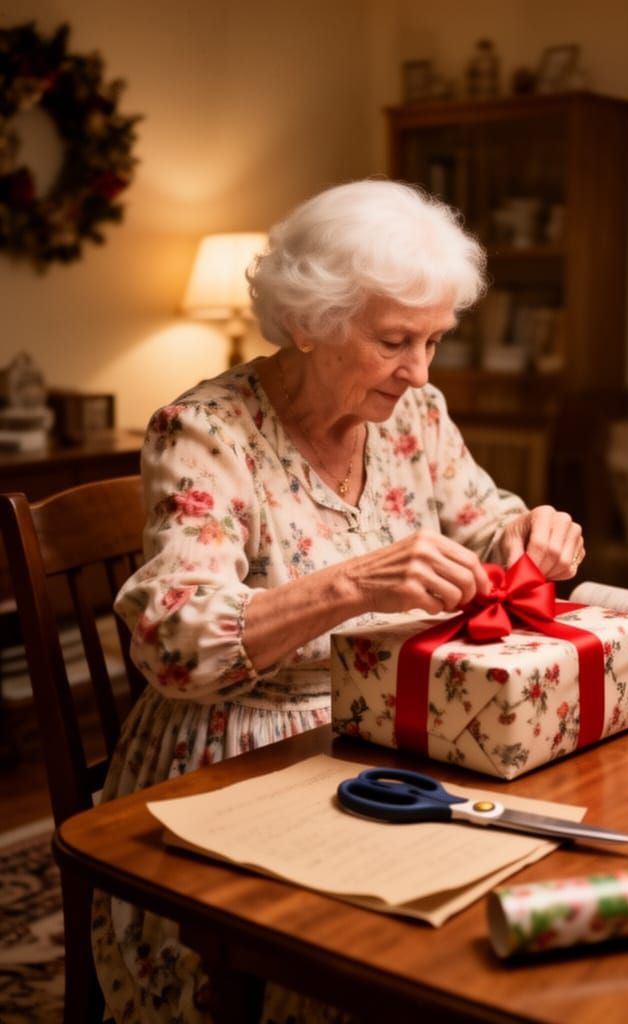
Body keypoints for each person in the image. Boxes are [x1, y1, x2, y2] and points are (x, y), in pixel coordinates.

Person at [92, 179, 585, 1024]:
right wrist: (353, 584)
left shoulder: (416, 415)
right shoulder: (206, 431)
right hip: (238, 755)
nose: (421, 371)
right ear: (309, 322)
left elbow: (484, 519)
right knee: (364, 971)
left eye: (434, 340)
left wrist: (529, 532)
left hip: (389, 735)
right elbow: (172, 644)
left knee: (513, 903)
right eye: (396, 340)